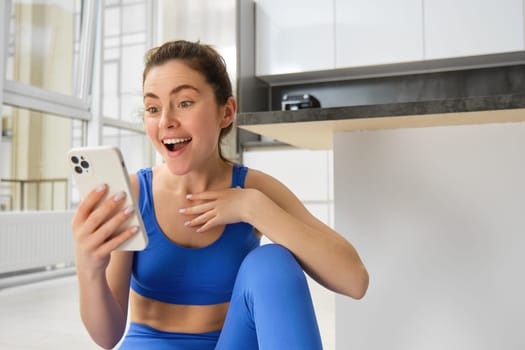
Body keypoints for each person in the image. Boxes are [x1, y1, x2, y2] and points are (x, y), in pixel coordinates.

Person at [71, 40, 369, 350]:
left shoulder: (254, 189)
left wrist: (253, 208)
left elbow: (354, 280)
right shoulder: (132, 194)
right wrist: (89, 269)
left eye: (184, 102)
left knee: (272, 261)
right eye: (153, 108)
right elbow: (107, 337)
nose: (165, 121)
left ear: (226, 112)